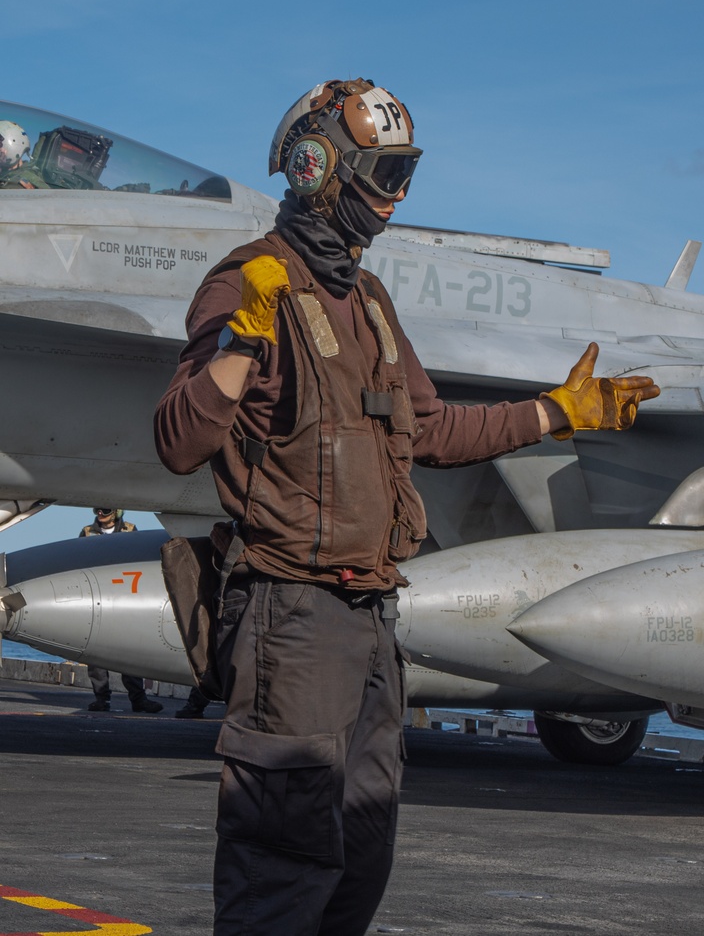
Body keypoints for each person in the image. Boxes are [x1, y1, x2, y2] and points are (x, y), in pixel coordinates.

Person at [153, 77, 659, 936]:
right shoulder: (246, 286)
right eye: (382, 176)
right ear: (318, 168)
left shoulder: (370, 304)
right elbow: (178, 439)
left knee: (360, 853)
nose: (394, 201)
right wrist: (241, 345)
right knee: (284, 865)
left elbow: (429, 428)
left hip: (369, 616)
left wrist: (556, 413)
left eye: (404, 176)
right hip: (291, 615)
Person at [79, 509, 163, 714]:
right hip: (98, 598)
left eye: (105, 510)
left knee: (129, 651)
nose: (100, 513)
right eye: (97, 509)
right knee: (95, 653)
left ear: (116, 512)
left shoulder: (131, 530)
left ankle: (138, 699)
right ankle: (101, 699)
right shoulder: (87, 532)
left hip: (125, 597)